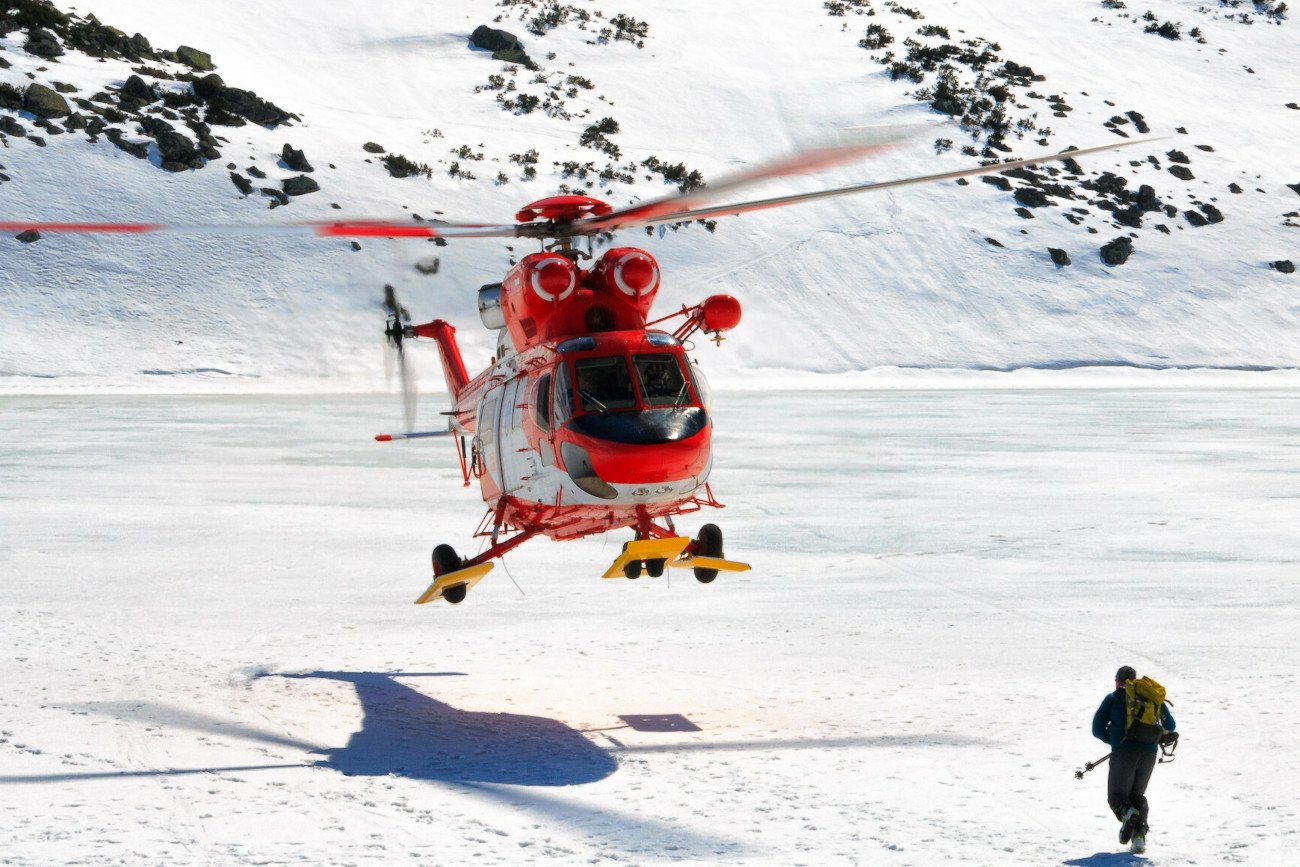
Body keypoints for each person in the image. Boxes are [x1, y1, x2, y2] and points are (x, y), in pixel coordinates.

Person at [1091, 665, 1176, 851]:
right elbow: (1170, 724)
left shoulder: (1114, 698)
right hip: (1149, 754)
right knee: (1137, 796)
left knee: (1117, 797)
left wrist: (1115, 742)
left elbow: (1096, 729)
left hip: (1123, 754)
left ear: (1117, 681)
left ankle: (1128, 814)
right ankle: (1139, 838)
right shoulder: (1151, 697)